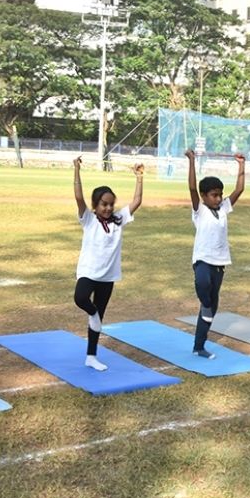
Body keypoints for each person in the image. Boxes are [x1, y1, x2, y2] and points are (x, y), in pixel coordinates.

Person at [73, 157, 144, 371]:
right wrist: (76, 170)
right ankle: (92, 313)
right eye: (104, 204)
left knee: (100, 314)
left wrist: (139, 177)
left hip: (108, 276)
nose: (108, 207)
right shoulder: (88, 219)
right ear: (95, 205)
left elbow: (137, 201)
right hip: (89, 272)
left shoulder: (119, 219)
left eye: (111, 204)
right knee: (81, 298)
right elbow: (78, 196)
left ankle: (91, 356)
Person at [185, 149, 245, 359]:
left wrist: (241, 164)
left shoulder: (224, 208)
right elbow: (192, 186)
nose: (219, 198)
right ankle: (206, 306)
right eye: (214, 195)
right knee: (203, 286)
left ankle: (199, 346)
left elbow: (239, 189)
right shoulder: (199, 210)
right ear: (204, 196)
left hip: (220, 262)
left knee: (212, 304)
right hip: (202, 259)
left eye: (220, 194)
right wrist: (192, 161)